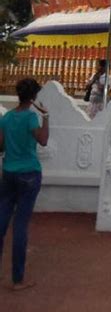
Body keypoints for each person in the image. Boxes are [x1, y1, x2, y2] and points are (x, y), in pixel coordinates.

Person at [0, 77, 49, 290]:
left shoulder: (7, 118)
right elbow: (43, 140)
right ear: (33, 97)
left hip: (8, 172)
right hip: (29, 173)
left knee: (1, 223)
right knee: (20, 225)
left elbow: (0, 146)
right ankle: (18, 279)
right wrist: (46, 117)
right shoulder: (31, 118)